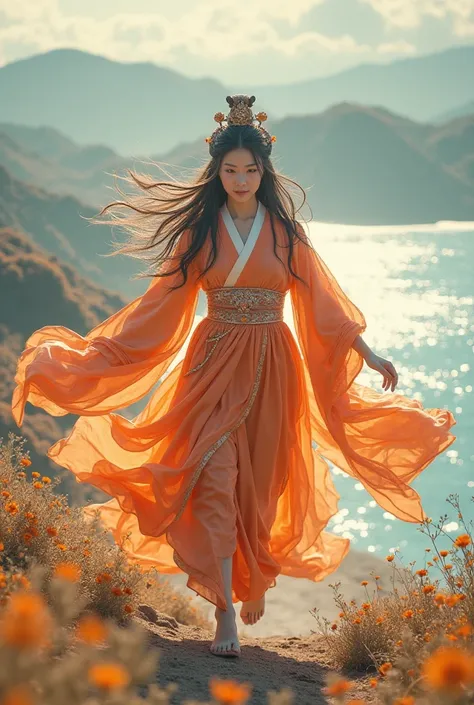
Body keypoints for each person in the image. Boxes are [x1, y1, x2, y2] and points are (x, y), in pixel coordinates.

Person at [12, 94, 456, 659]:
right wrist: (97, 354)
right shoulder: (199, 234)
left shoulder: (287, 234)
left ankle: (253, 576)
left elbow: (322, 303)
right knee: (216, 481)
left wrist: (365, 353)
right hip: (212, 367)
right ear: (216, 172)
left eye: (250, 169)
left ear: (264, 171)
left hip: (275, 367)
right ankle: (225, 613)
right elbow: (159, 307)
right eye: (230, 170)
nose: (241, 179)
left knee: (260, 490)